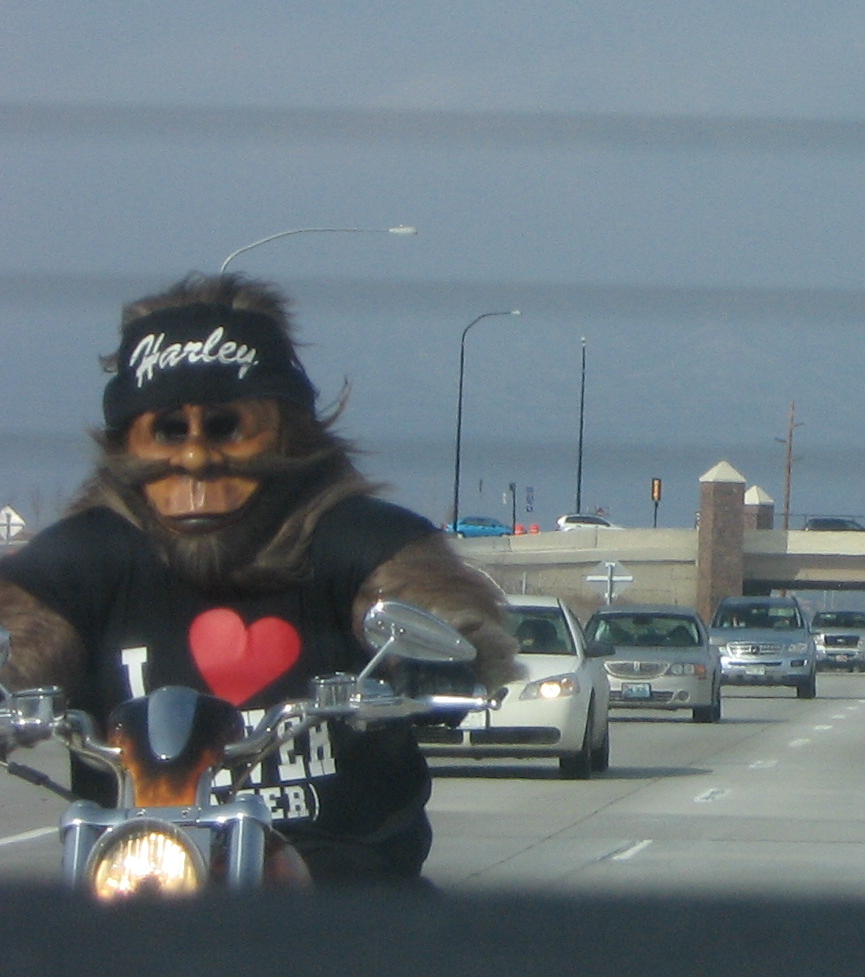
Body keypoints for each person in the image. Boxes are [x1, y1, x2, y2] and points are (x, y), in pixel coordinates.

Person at [0, 273, 516, 883]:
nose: (195, 460)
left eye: (224, 428)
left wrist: (444, 656)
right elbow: (27, 626)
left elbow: (427, 597)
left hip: (342, 875)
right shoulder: (89, 558)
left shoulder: (348, 537)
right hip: (142, 859)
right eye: (170, 431)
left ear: (286, 433)